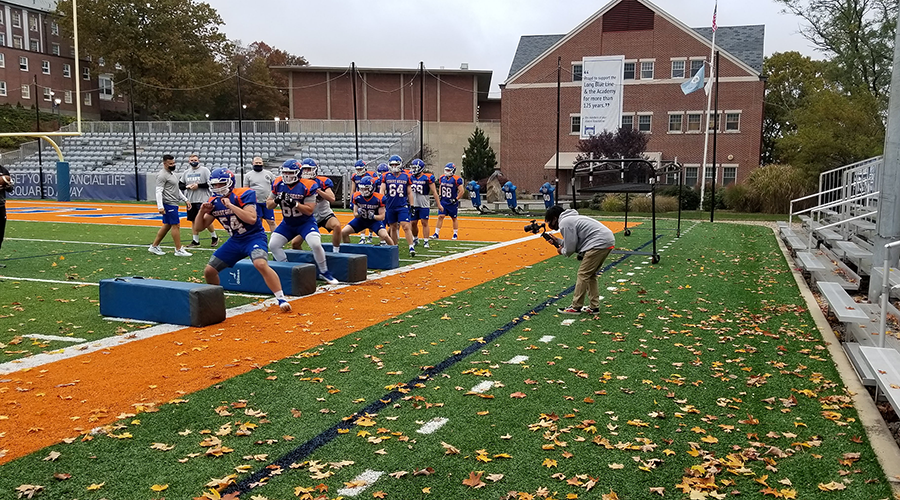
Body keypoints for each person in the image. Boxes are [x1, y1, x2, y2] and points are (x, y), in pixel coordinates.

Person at [197, 167, 292, 312]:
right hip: (235, 241)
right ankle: (216, 298)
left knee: (260, 264)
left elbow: (252, 219)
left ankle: (281, 298)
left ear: (230, 182)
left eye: (220, 184)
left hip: (253, 237)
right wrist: (202, 212)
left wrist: (230, 205)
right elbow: (198, 227)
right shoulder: (214, 201)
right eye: (214, 185)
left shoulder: (243, 194)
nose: (217, 187)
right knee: (209, 271)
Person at [267, 159, 339, 285]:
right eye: (284, 172)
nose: (286, 176)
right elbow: (268, 205)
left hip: (305, 223)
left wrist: (295, 203)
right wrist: (277, 201)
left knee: (315, 244)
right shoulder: (278, 183)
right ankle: (287, 268)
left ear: (297, 173)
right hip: (288, 223)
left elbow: (309, 210)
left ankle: (324, 272)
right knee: (273, 244)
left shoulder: (307, 186)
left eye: (290, 173)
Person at [544, 205, 615, 315]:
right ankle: (594, 307)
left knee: (583, 274)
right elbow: (575, 244)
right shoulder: (571, 219)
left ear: (554, 218)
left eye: (549, 221)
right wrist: (558, 241)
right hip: (605, 241)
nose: (549, 225)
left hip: (598, 243)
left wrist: (561, 251)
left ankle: (576, 307)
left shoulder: (565, 223)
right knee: (590, 275)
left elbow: (570, 249)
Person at [292, 161, 342, 252]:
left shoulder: (322, 181)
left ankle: (336, 251)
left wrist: (318, 191)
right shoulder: (299, 184)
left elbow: (332, 198)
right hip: (308, 218)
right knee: (295, 243)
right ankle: (306, 261)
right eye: (304, 169)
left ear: (315, 170)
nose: (306, 171)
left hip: (324, 214)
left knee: (337, 226)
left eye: (309, 169)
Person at [148, 154, 192, 257]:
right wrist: (160, 206)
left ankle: (154, 246)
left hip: (173, 203)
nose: (173, 165)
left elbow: (176, 189)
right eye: (170, 163)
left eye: (174, 163)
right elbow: (158, 191)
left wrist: (185, 199)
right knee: (176, 225)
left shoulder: (172, 174)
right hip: (169, 203)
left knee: (167, 225)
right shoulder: (162, 175)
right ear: (164, 164)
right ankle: (178, 249)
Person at [379, 154, 416, 256]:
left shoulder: (406, 176)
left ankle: (411, 247)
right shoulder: (385, 176)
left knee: (405, 226)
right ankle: (394, 247)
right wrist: (381, 202)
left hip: (402, 205)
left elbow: (409, 192)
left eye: (396, 164)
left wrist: (412, 205)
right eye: (392, 164)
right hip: (390, 205)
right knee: (393, 227)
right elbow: (382, 190)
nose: (394, 166)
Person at [341, 176, 393, 246]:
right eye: (362, 188)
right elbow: (355, 214)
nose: (364, 191)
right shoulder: (356, 196)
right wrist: (359, 213)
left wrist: (373, 216)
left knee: (385, 236)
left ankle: (394, 253)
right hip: (361, 220)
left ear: (372, 188)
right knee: (343, 232)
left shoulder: (379, 198)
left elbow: (382, 217)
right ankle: (347, 251)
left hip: (374, 222)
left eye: (366, 188)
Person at [180, 153, 218, 248]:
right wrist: (187, 186)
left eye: (195, 160)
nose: (194, 162)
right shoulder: (186, 172)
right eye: (192, 160)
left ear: (199, 161)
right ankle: (195, 240)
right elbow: (180, 185)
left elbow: (210, 183)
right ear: (189, 161)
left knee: (205, 220)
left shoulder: (205, 170)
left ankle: (214, 236)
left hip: (203, 199)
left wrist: (198, 186)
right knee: (193, 220)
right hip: (191, 199)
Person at [409, 158, 437, 248]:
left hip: (424, 203)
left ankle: (426, 241)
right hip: (413, 203)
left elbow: (434, 191)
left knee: (424, 222)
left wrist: (439, 204)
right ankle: (415, 238)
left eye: (414, 168)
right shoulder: (410, 177)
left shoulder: (427, 178)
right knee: (413, 223)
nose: (413, 169)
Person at [432, 163, 464, 240]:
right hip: (443, 201)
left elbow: (461, 191)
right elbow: (440, 186)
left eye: (448, 170)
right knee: (440, 216)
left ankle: (455, 234)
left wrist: (456, 199)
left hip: (451, 202)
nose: (447, 171)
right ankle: (436, 233)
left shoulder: (456, 179)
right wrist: (440, 195)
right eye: (446, 170)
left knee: (454, 218)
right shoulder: (442, 177)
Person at [245, 156, 277, 232]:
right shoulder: (248, 175)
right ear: (253, 163)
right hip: (256, 202)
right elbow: (246, 189)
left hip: (267, 201)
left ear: (262, 163)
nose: (258, 164)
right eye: (256, 163)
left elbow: (275, 185)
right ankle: (260, 238)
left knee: (271, 221)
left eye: (260, 163)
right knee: (258, 221)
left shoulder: (268, 174)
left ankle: (276, 240)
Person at [350, 159, 373, 243]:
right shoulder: (354, 177)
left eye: (360, 169)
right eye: (357, 169)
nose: (359, 171)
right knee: (361, 217)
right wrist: (352, 200)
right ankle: (362, 237)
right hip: (360, 199)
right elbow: (353, 190)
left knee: (371, 218)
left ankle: (370, 235)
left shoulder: (371, 175)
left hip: (369, 198)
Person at [0, 164, 13, 267]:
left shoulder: (3, 170)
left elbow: (10, 189)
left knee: (0, 234)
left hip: (0, 205)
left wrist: (8, 185)